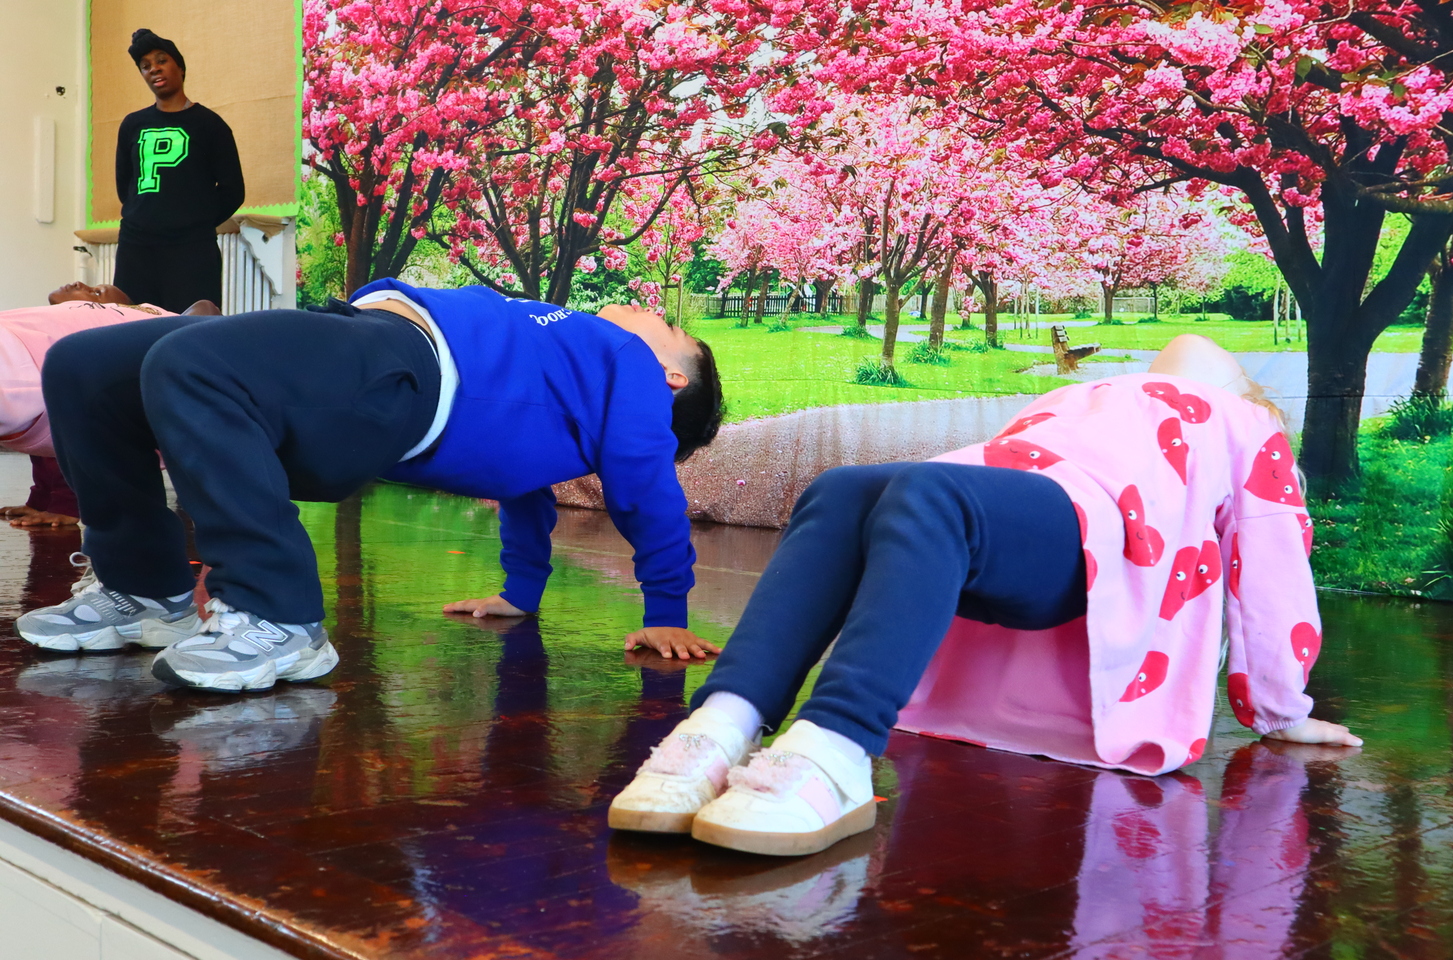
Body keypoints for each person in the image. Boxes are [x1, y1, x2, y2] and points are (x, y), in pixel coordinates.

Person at [608, 334, 1361, 857]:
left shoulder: (1247, 425)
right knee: (842, 490)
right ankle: (720, 726)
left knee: (930, 493)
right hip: (999, 514)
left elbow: (1272, 568)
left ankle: (835, 747)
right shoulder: (1086, 394)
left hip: (1091, 542)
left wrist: (1280, 708)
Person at [18, 281, 724, 693]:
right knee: (85, 364)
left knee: (192, 361)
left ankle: (278, 615)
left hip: (404, 370)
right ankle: (143, 590)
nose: (651, 313)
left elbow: (648, 492)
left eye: (669, 326)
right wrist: (520, 593)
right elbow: (524, 489)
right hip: (365, 342)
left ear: (671, 378)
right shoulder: (564, 379)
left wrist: (666, 609)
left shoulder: (632, 369)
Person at [0, 285, 217, 527]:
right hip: (30, 353)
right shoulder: (61, 321)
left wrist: (65, 504)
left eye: (96, 293)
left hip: (91, 379)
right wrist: (40, 500)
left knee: (66, 427)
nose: (82, 285)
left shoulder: (130, 321)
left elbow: (206, 311)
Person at [113, 29, 244, 313]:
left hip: (192, 250)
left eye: (161, 61)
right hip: (136, 248)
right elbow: (126, 186)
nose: (154, 69)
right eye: (145, 66)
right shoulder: (132, 125)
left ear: (180, 68)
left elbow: (233, 190)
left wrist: (194, 221)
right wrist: (144, 215)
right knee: (131, 323)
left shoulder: (210, 125)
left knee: (191, 328)